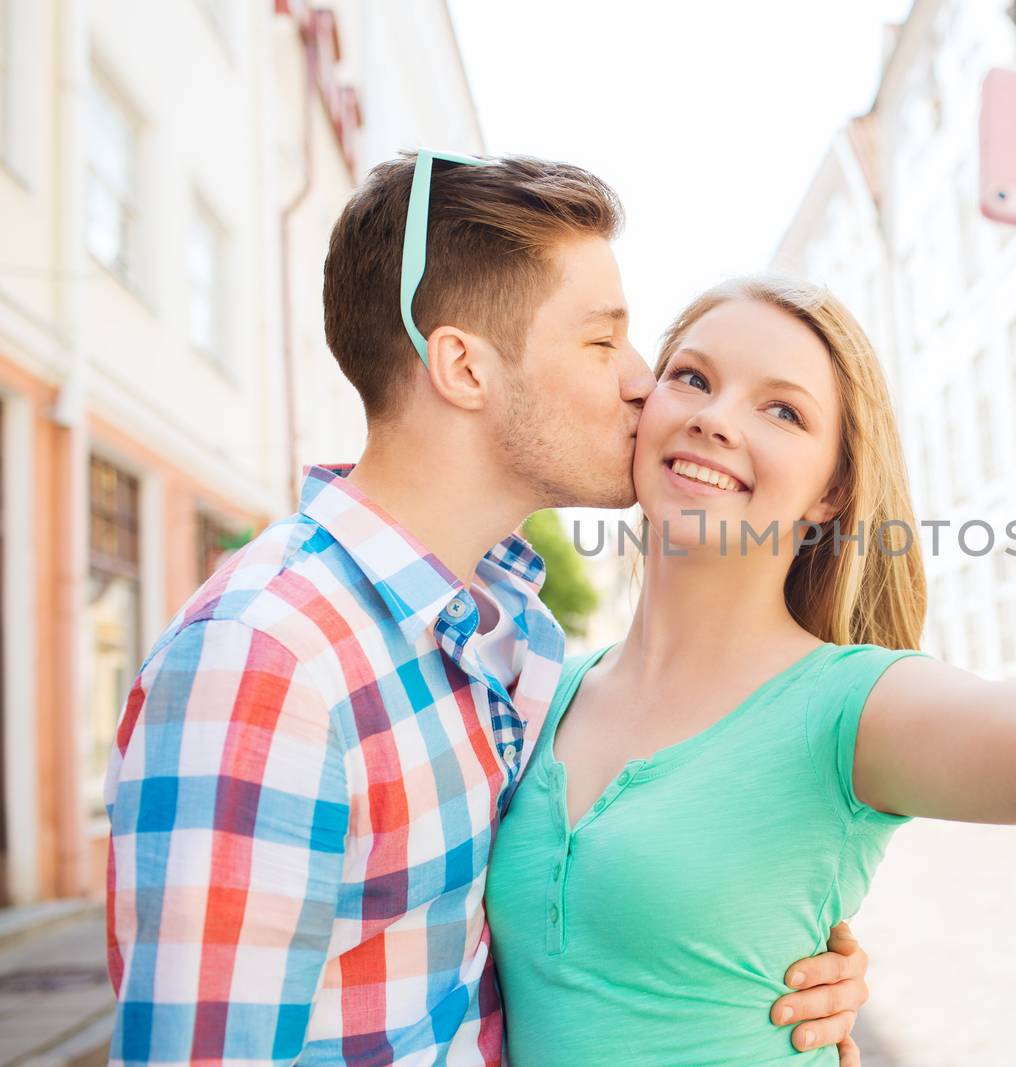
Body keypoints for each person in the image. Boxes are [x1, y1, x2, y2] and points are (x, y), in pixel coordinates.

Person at [485, 63, 1016, 1066]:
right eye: (692, 376)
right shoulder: (543, 689)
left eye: (783, 408)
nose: (717, 417)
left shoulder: (852, 709)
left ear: (828, 489)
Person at [103, 152, 878, 1063]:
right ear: (464, 367)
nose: (643, 381)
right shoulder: (266, 661)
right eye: (603, 342)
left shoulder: (513, 643)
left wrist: (757, 976)